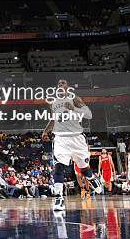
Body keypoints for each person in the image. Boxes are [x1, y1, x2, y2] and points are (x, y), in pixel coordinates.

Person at [42, 79, 102, 211]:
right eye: (58, 84)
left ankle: (92, 179)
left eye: (63, 84)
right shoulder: (54, 103)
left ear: (67, 87)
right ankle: (59, 199)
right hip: (60, 139)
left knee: (84, 169)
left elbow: (89, 115)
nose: (60, 86)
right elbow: (53, 119)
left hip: (77, 138)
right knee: (58, 167)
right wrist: (46, 130)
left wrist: (74, 108)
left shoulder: (75, 99)